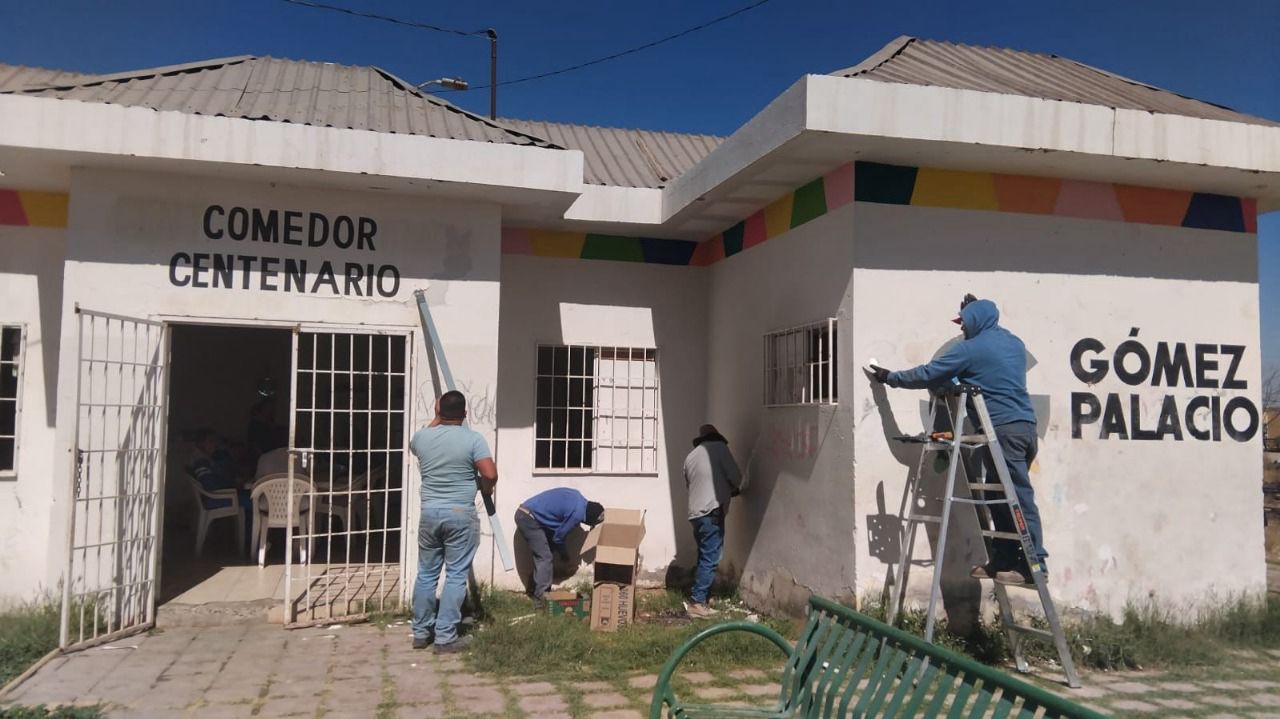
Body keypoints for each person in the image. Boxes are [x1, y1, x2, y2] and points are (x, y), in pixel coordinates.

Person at [869, 294, 1045, 586]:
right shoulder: (1013, 343)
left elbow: (928, 373)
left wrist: (890, 377)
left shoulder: (971, 349)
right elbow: (992, 373)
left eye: (964, 322)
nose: (962, 329)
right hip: (1024, 429)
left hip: (1002, 431)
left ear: (975, 321)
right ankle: (1002, 560)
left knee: (1017, 498)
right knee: (997, 495)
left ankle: (1033, 565)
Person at [409, 390, 497, 653]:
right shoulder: (473, 439)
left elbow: (419, 440)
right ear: (465, 414)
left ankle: (421, 632)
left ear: (438, 411)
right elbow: (490, 473)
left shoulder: (421, 438)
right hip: (460, 513)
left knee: (426, 573)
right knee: (456, 574)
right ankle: (446, 637)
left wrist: (437, 416)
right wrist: (486, 489)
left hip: (430, 513)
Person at [682, 423, 742, 618]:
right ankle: (697, 602)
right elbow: (735, 476)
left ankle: (703, 599)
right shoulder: (720, 448)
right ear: (716, 437)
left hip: (695, 514)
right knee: (711, 557)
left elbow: (691, 484)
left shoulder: (691, 456)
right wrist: (733, 487)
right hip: (710, 512)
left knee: (703, 555)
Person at [514, 488, 605, 610]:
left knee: (544, 554)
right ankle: (540, 601)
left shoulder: (579, 497)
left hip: (527, 513)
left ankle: (534, 588)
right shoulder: (577, 515)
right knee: (545, 557)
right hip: (528, 519)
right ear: (589, 518)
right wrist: (564, 555)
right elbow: (558, 537)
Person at [187, 428, 253, 550]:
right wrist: (231, 484)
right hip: (214, 499)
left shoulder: (205, 458)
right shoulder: (201, 461)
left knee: (247, 496)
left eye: (216, 441)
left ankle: (248, 539)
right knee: (252, 502)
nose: (215, 444)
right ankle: (250, 542)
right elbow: (210, 485)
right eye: (211, 441)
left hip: (215, 496)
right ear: (200, 443)